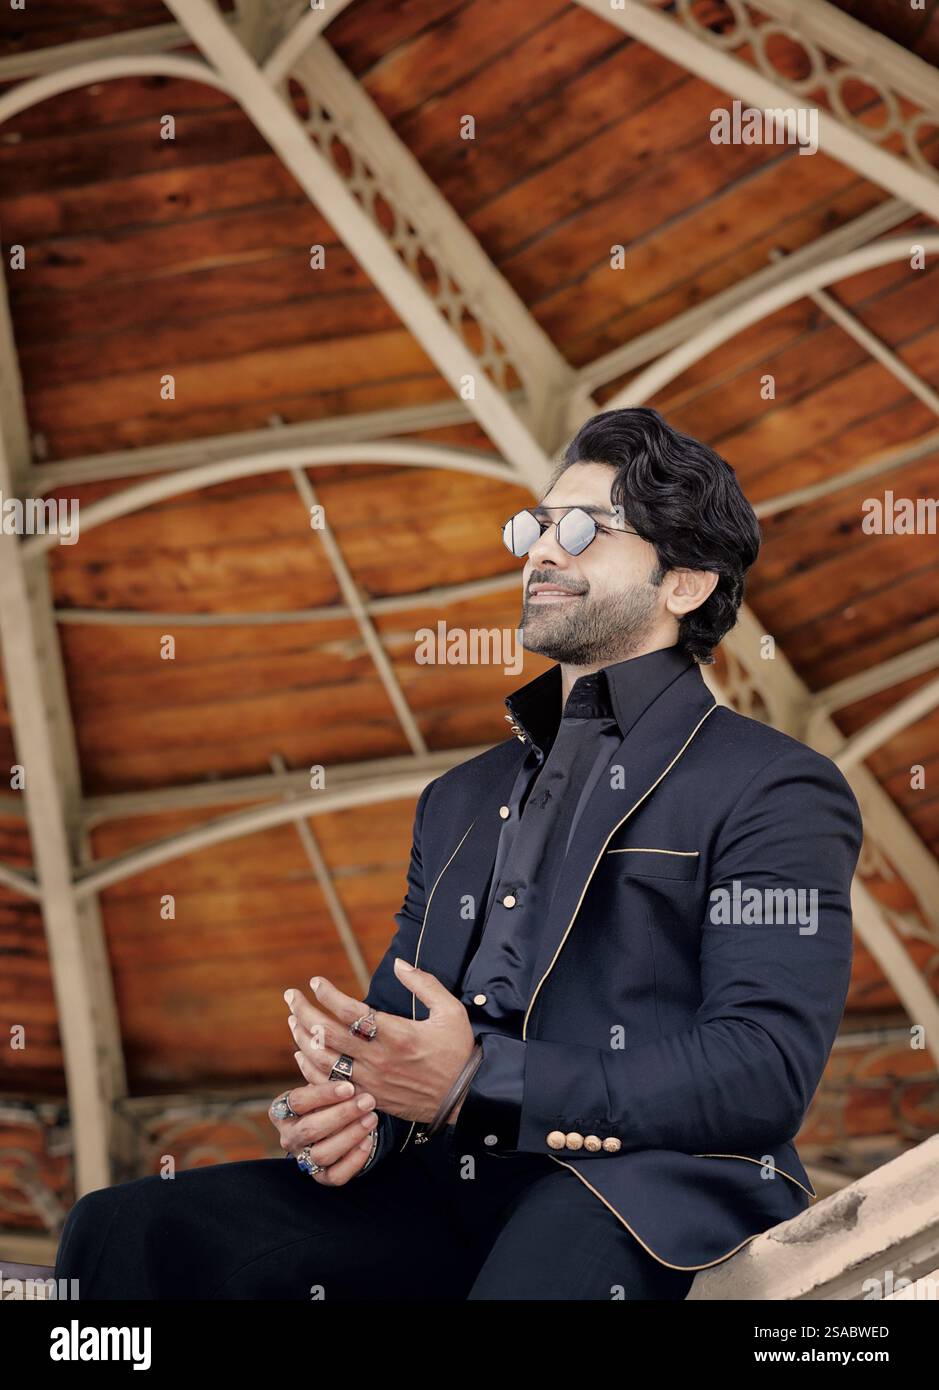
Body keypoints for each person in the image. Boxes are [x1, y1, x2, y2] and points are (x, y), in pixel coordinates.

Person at [54, 406, 862, 1300]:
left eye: (585, 529)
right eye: (536, 525)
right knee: (127, 1229)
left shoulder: (774, 783)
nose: (541, 553)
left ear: (685, 585)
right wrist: (355, 1113)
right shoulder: (458, 801)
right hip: (441, 1191)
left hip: (644, 1190)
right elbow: (397, 1033)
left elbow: (762, 1067)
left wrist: (481, 1075)